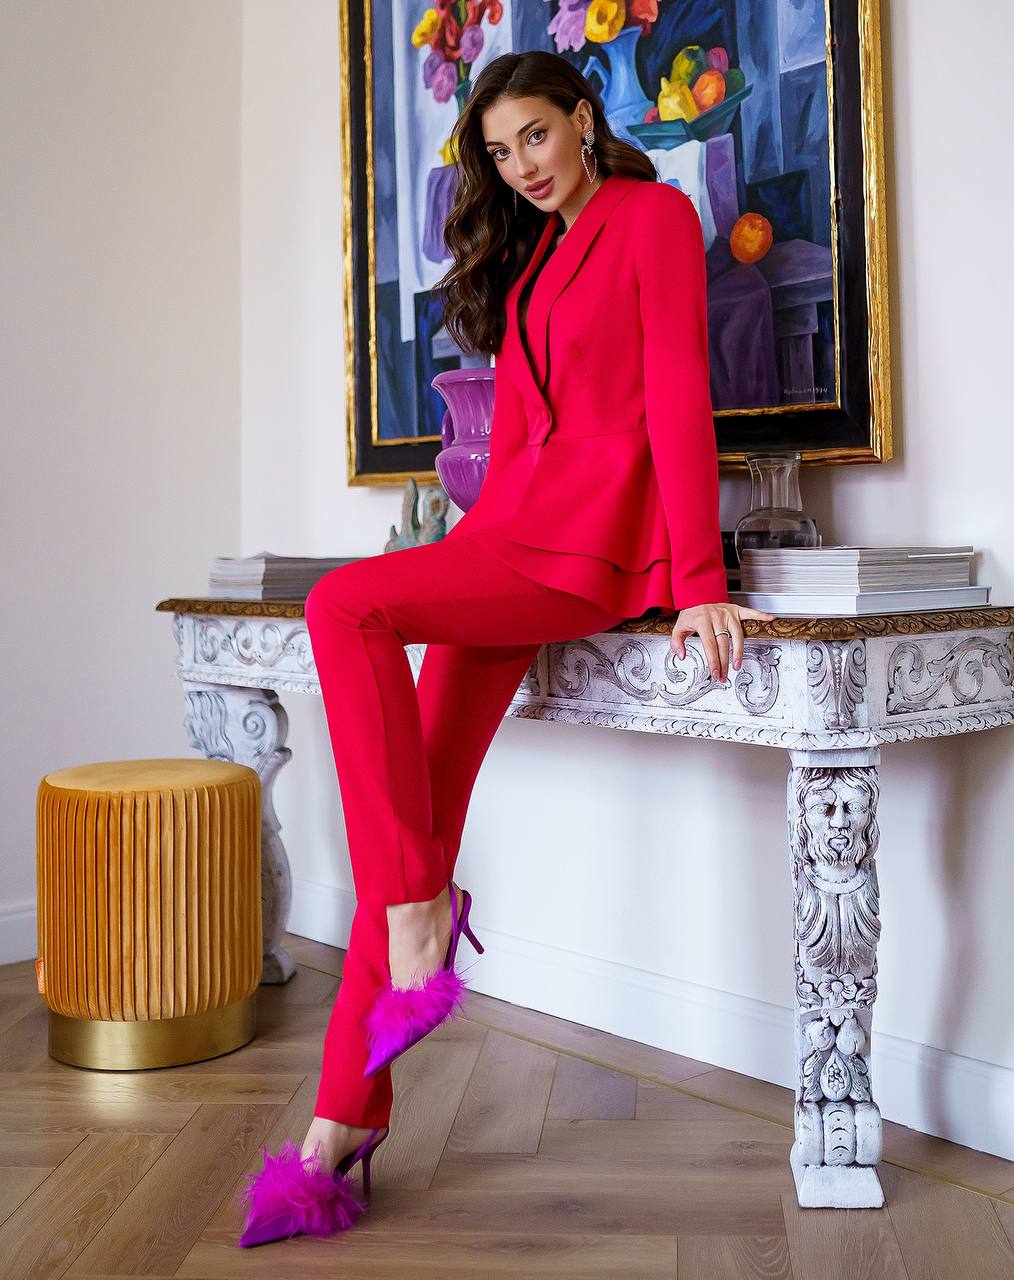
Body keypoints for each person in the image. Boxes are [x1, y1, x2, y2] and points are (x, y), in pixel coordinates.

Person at [237, 48, 775, 1246]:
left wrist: (699, 581)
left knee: (344, 609)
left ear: (583, 120)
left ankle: (424, 912)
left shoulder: (652, 215)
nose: (520, 165)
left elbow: (678, 391)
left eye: (535, 135)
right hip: (512, 539)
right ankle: (337, 1131)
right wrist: (467, 555)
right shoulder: (534, 263)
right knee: (412, 805)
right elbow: (522, 433)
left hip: (577, 550)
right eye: (498, 150)